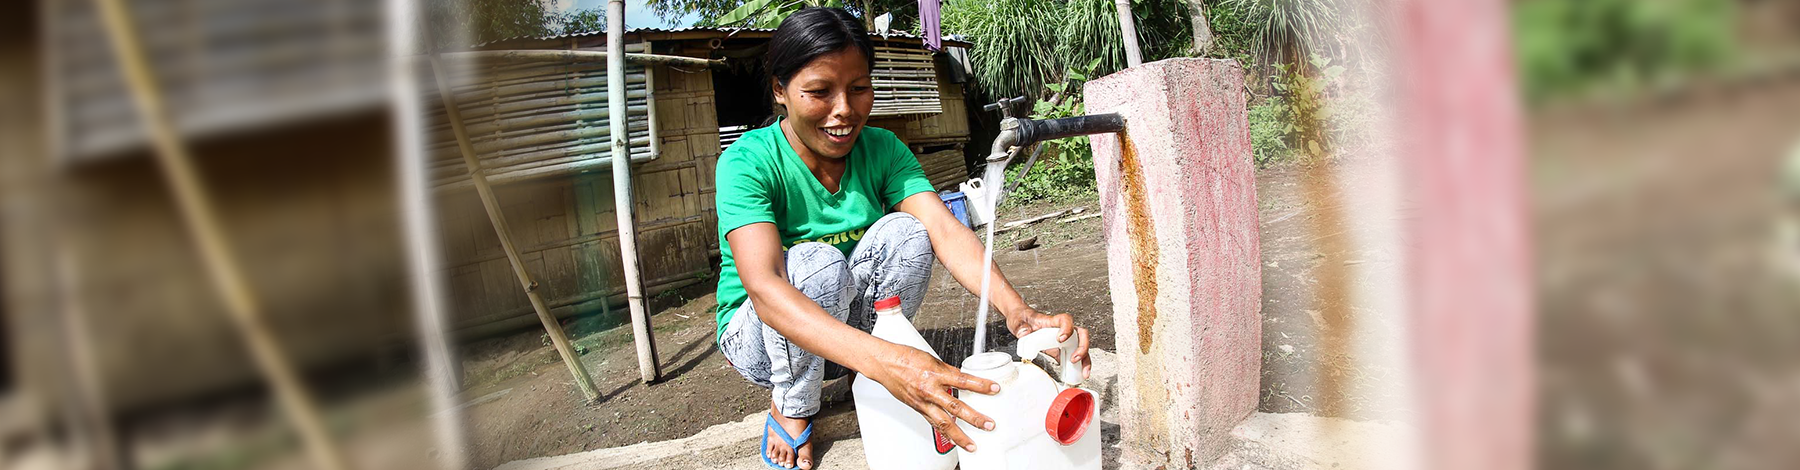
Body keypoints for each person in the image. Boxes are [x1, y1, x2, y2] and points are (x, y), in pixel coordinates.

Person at [712, 7, 1091, 470]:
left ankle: (862, 368)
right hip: (761, 339)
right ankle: (792, 406)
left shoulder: (883, 148)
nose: (844, 111)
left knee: (908, 232)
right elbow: (765, 288)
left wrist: (1018, 310)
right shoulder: (747, 162)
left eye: (858, 89)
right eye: (819, 92)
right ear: (779, 91)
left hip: (840, 327)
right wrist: (889, 361)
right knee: (816, 264)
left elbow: (945, 229)